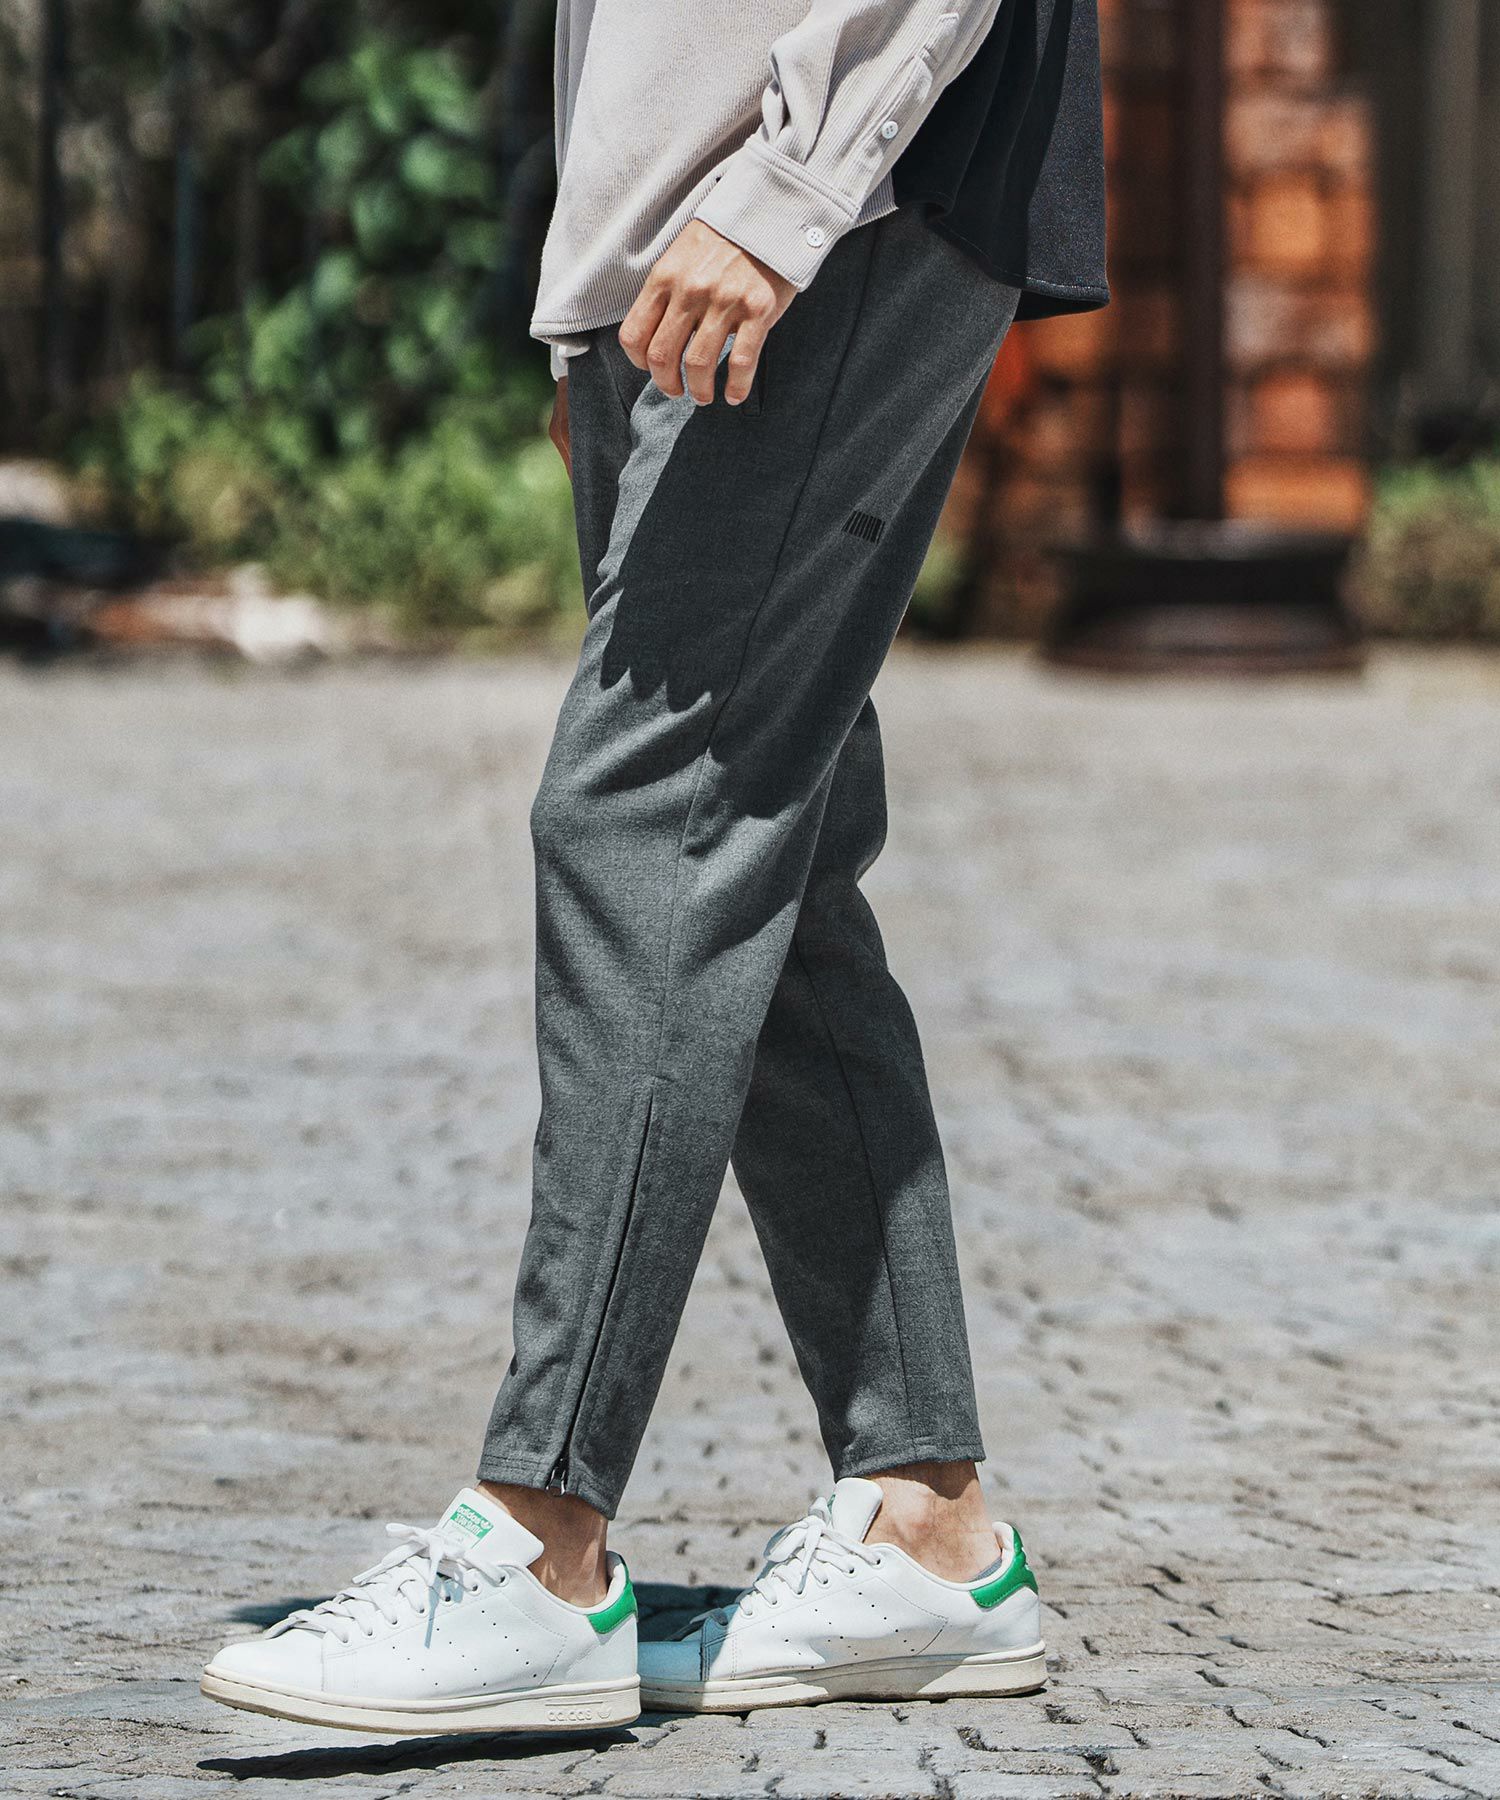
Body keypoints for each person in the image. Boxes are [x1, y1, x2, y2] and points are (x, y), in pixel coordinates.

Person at [202, 0, 1106, 1736]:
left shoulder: (807, 191)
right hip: (681, 243)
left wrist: (792, 187)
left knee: (643, 823)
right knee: (769, 868)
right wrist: (585, 298)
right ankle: (925, 1524)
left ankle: (542, 1549)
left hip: (831, 204)